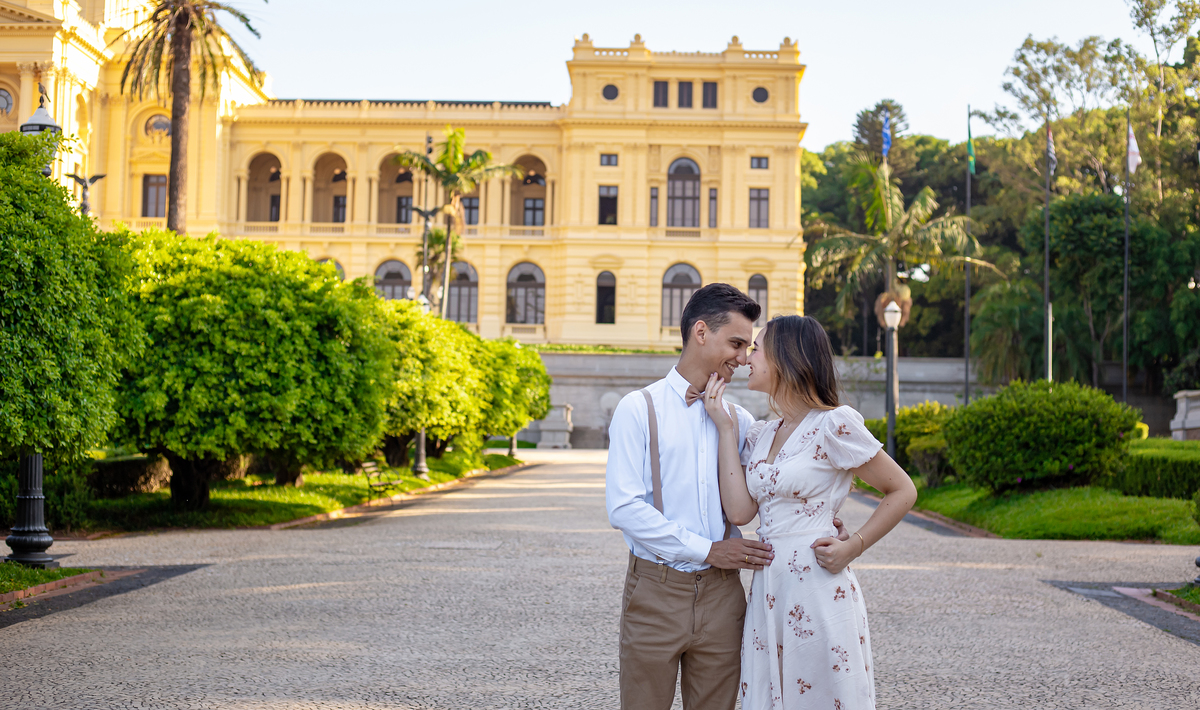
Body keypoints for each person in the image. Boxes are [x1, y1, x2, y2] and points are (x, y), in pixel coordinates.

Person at [606, 284, 848, 710]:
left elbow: (768, 492)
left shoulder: (742, 421)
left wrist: (821, 520)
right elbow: (624, 508)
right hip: (656, 591)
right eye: (736, 344)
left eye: (749, 347)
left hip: (724, 597)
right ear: (701, 332)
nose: (743, 357)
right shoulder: (638, 408)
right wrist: (708, 550)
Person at [702, 314, 917, 710]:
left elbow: (903, 490)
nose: (748, 358)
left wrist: (853, 546)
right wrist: (725, 430)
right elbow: (741, 511)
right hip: (770, 587)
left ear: (786, 358)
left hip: (817, 584)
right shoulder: (763, 433)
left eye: (757, 350)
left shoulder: (834, 424)